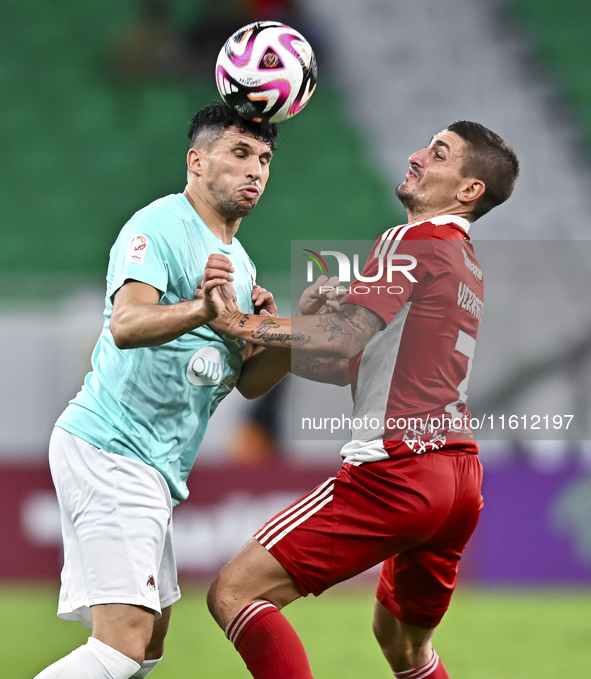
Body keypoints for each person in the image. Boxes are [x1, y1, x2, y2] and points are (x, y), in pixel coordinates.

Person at [206, 121, 520, 678]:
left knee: (235, 593)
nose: (417, 153)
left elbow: (344, 337)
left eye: (439, 152)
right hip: (458, 479)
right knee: (402, 644)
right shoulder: (463, 260)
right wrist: (291, 328)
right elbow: (350, 362)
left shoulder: (412, 240)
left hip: (397, 472)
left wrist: (246, 323)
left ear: (469, 189)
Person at [35, 101, 292, 679]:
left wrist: (284, 343)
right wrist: (203, 308)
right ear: (196, 161)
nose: (256, 170)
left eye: (265, 159)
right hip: (111, 448)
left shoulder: (241, 266)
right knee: (120, 647)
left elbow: (248, 384)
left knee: (147, 646)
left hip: (151, 468)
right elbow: (127, 324)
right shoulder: (161, 224)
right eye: (240, 153)